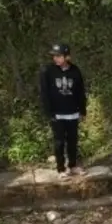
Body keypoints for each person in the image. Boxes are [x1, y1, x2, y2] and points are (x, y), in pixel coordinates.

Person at [39, 42, 87, 177]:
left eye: (59, 56)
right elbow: (44, 93)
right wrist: (49, 112)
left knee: (73, 141)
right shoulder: (48, 71)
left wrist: (82, 110)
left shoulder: (75, 70)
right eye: (54, 56)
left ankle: (73, 165)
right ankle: (61, 169)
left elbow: (80, 91)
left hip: (72, 112)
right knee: (59, 142)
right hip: (57, 114)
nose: (56, 58)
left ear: (67, 57)